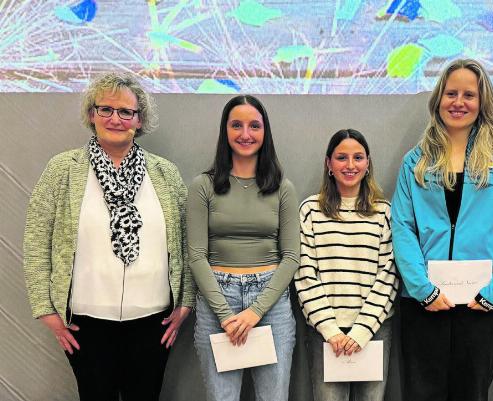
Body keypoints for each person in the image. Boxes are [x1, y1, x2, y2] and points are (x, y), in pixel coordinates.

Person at [23, 72, 195, 401]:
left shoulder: (165, 173)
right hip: (86, 322)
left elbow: (186, 243)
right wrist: (45, 310)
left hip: (153, 321)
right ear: (92, 114)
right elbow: (36, 241)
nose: (115, 119)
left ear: (139, 119)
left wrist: (185, 303)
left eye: (126, 112)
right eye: (106, 109)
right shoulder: (63, 169)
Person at [391, 58, 493, 401]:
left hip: (482, 302)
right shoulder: (416, 160)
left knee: (472, 393)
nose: (459, 102)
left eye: (469, 94)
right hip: (424, 302)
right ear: (438, 99)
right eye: (451, 93)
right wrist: (422, 289)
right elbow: (403, 228)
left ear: (482, 102)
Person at [187, 95, 299, 401]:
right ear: (225, 131)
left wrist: (255, 312)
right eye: (236, 125)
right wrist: (225, 314)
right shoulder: (203, 186)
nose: (245, 134)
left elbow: (291, 257)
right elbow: (196, 255)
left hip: (271, 303)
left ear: (266, 132)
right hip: (216, 301)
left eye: (254, 125)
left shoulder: (282, 188)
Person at [294, 129, 399, 401]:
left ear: (367, 163)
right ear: (329, 164)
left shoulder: (384, 212)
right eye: (342, 157)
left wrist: (363, 329)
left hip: (374, 330)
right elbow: (305, 273)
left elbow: (389, 274)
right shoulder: (310, 210)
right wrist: (329, 329)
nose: (350, 165)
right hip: (325, 333)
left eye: (358, 157)